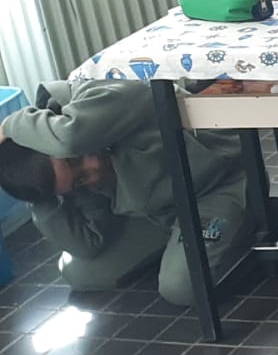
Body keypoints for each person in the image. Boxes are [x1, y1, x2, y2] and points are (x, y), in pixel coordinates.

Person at [0, 80, 256, 305]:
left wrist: (9, 125)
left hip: (216, 187)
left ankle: (257, 218)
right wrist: (39, 197)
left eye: (74, 159)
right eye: (81, 180)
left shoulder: (97, 97)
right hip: (159, 213)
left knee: (183, 288)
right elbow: (87, 245)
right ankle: (180, 247)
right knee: (80, 274)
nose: (93, 166)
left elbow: (71, 137)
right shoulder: (62, 171)